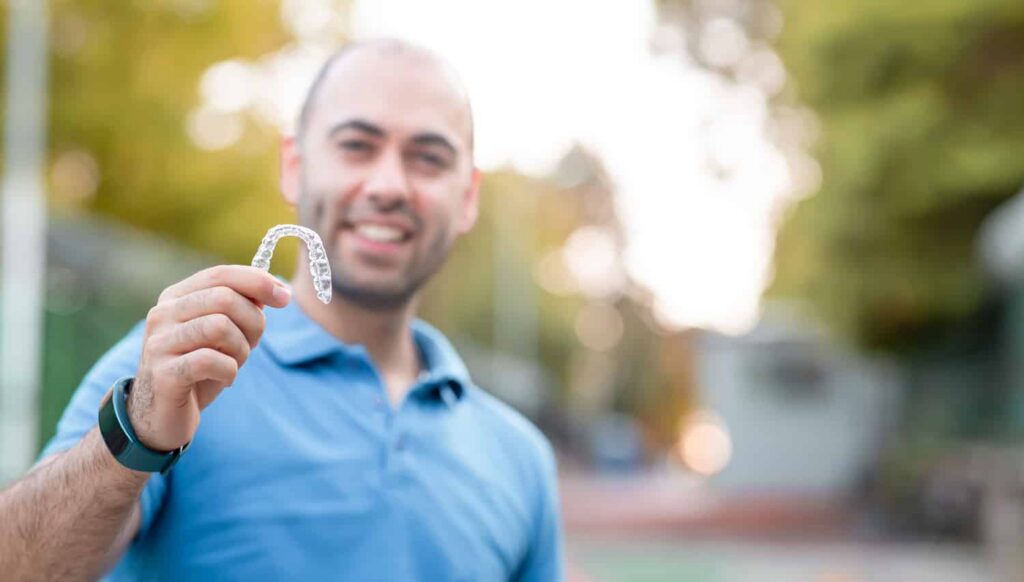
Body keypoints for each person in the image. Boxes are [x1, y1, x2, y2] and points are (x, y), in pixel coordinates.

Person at [0, 39, 565, 582]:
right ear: (294, 165)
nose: (389, 184)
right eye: (356, 145)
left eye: (428, 158)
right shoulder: (175, 368)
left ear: (467, 196)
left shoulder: (521, 460)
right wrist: (136, 433)